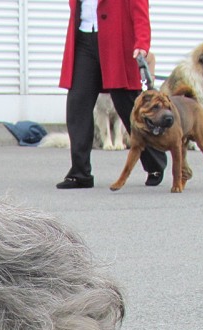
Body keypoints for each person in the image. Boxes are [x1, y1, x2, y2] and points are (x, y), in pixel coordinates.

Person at [57, 0, 166, 189]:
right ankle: (80, 172)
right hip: (83, 39)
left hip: (116, 41)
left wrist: (142, 42)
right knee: (77, 104)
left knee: (129, 106)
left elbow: (140, 9)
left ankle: (155, 163)